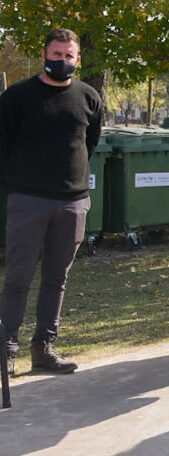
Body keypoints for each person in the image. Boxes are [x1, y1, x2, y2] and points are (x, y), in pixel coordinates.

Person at [0, 28, 102, 375]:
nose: (63, 61)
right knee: (18, 277)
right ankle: (6, 351)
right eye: (56, 55)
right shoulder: (17, 97)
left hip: (73, 203)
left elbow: (89, 144)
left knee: (56, 278)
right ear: (44, 55)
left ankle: (43, 348)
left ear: (78, 59)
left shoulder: (89, 97)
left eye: (69, 56)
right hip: (27, 201)